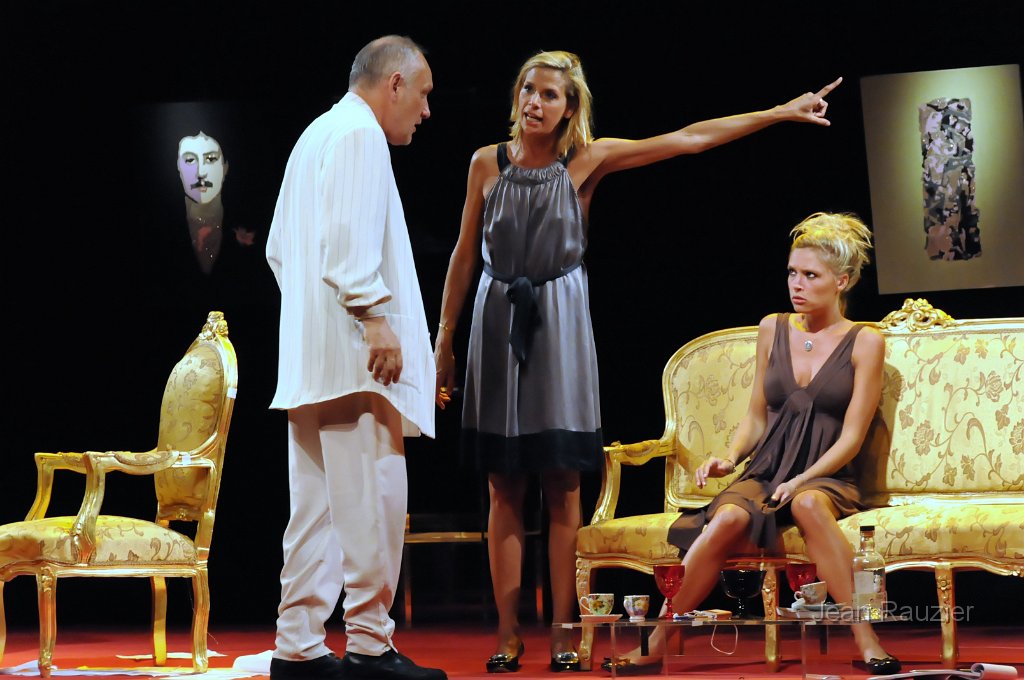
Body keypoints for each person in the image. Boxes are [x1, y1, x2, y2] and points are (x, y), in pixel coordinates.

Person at [432, 49, 843, 673]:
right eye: (527, 90)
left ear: (570, 108)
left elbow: (689, 138)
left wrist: (778, 113)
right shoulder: (485, 164)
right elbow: (465, 253)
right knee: (502, 486)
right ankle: (507, 633)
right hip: (495, 324)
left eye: (549, 94)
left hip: (558, 326)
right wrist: (444, 340)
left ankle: (564, 630)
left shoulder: (587, 160)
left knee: (562, 484)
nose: (534, 102)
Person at [607, 212, 899, 675]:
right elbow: (756, 417)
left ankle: (866, 638)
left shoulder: (865, 341)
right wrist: (729, 457)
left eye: (811, 275)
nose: (796, 284)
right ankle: (659, 639)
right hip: (765, 470)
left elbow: (852, 437)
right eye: (792, 272)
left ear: (842, 281)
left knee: (807, 504)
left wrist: (802, 480)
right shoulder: (772, 328)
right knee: (726, 517)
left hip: (826, 474)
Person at [265, 35, 446, 680]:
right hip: (354, 355)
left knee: (315, 506)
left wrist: (313, 320)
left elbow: (279, 249)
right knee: (372, 494)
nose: (426, 110)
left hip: (314, 356)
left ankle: (298, 647)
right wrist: (372, 318)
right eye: (422, 93)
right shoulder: (360, 134)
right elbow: (346, 242)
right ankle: (370, 643)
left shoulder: (316, 133)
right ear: (394, 83)